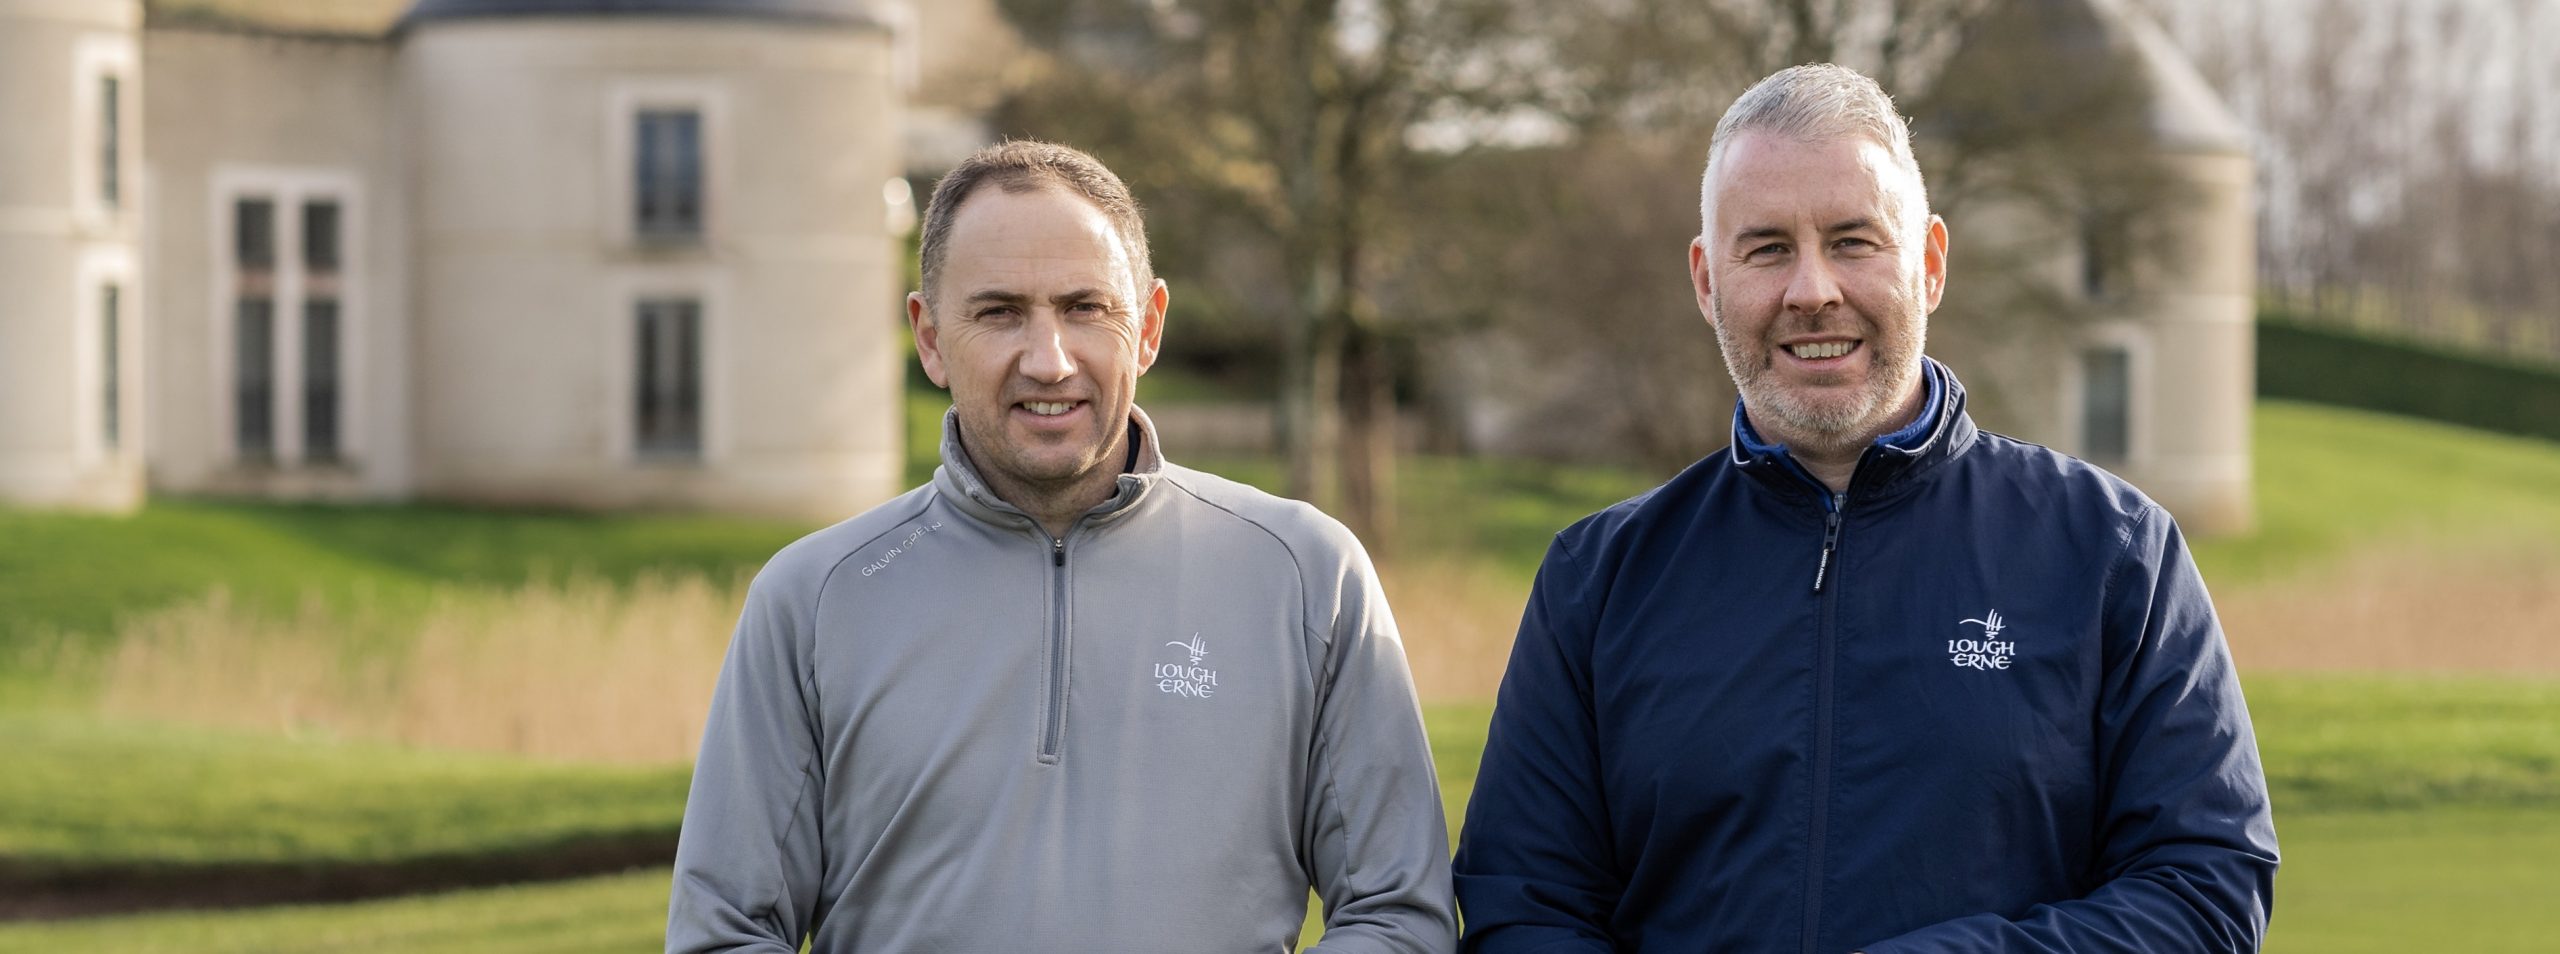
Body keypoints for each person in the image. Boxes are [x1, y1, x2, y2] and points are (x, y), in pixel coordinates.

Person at [1451, 64, 2277, 953]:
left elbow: (2206, 889)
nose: (1812, 290)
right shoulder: (1599, 580)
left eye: (1853, 241)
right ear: (1705, 281)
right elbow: (1523, 908)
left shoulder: (2114, 552)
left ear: (1928, 264)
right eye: (1766, 247)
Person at [667, 140, 1455, 953]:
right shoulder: (813, 598)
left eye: (1086, 308)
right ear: (930, 338)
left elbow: (1400, 916)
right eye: (999, 311)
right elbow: (724, 931)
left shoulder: (1307, 576)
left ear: (1147, 328)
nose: (1049, 361)